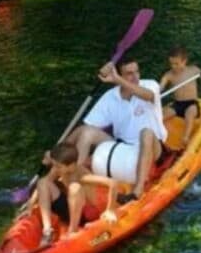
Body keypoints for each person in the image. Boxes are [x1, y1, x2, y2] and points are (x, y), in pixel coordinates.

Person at [69, 59, 167, 199]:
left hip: (153, 147)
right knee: (87, 133)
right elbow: (85, 128)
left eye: (137, 71)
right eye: (129, 73)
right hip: (122, 146)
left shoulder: (151, 85)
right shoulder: (110, 97)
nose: (136, 77)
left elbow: (148, 96)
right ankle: (74, 183)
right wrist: (59, 151)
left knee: (146, 132)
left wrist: (118, 80)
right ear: (120, 74)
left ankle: (137, 191)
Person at [28, 142, 90, 244]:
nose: (55, 169)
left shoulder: (82, 173)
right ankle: (48, 231)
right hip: (68, 208)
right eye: (55, 165)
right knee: (43, 182)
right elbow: (43, 183)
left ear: (71, 165)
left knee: (75, 188)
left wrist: (111, 208)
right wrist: (31, 203)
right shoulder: (60, 168)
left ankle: (72, 230)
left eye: (58, 166)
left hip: (82, 214)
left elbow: (104, 188)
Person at [159, 46, 201, 150]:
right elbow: (160, 87)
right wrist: (156, 93)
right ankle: (157, 136)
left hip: (191, 103)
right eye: (171, 63)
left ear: (184, 61)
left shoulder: (193, 70)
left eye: (176, 64)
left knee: (190, 112)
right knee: (162, 115)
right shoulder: (169, 75)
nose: (173, 66)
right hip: (177, 104)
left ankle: (185, 138)